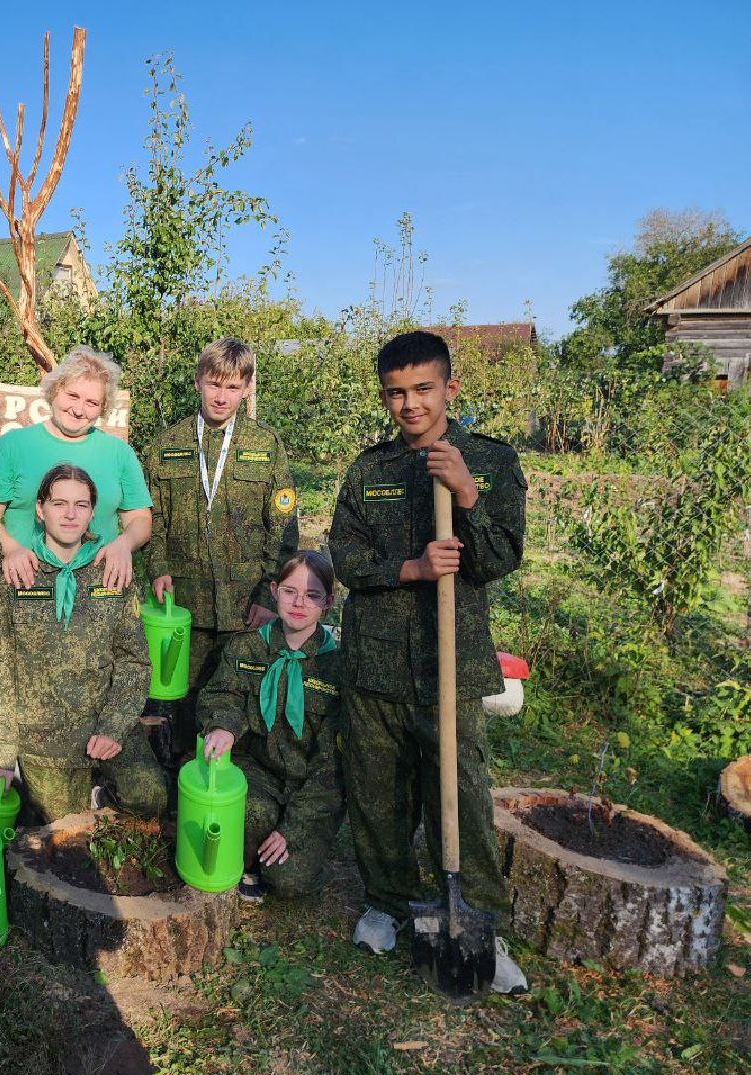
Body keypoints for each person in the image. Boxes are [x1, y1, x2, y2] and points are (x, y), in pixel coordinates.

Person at [328, 330, 528, 993]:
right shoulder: (369, 470)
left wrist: (467, 496)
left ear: (450, 389)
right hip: (375, 663)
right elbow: (347, 560)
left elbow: (500, 558)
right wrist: (410, 567)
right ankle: (388, 904)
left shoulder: (490, 461)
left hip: (450, 662)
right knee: (377, 793)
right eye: (396, 392)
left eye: (422, 389)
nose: (409, 404)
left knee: (463, 794)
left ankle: (482, 926)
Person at [143, 338, 299, 759]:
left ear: (247, 388)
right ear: (197, 382)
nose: (221, 396)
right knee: (179, 698)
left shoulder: (266, 446)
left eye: (232, 387)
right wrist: (157, 568)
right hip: (182, 605)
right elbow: (150, 518)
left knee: (237, 697)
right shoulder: (167, 443)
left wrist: (270, 594)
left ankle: (231, 779)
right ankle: (179, 785)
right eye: (214, 384)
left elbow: (283, 528)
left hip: (245, 606)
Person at [0, 465, 166, 822]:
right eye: (59, 503)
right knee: (56, 816)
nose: (70, 514)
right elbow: (4, 669)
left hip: (101, 716)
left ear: (92, 512)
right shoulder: (19, 574)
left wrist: (113, 727)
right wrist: (3, 755)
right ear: (40, 508)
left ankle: (100, 788)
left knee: (152, 796)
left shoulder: (112, 569)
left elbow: (134, 663)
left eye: (81, 505)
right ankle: (78, 789)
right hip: (43, 731)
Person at [198, 551, 344, 902]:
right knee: (253, 812)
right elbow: (222, 695)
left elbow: (332, 764)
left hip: (309, 786)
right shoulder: (247, 646)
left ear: (328, 603)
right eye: (290, 591)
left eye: (312, 595)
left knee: (288, 881)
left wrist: (293, 829)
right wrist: (225, 727)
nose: (299, 603)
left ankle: (293, 847)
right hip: (258, 771)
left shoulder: (336, 666)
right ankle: (252, 851)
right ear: (274, 590)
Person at [0, 346, 152, 591]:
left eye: (92, 402)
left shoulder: (119, 453)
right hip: (26, 587)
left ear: (103, 408)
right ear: (54, 391)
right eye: (72, 396)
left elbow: (140, 519)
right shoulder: (13, 446)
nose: (79, 409)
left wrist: (124, 544)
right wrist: (12, 549)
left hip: (99, 589)